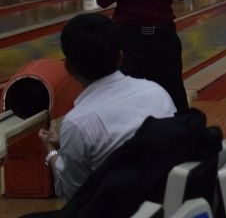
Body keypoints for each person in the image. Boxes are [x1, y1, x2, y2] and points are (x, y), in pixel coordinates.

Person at [40, 12, 177, 200]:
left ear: (69, 68)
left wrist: (51, 150)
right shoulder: (157, 93)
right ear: (120, 57)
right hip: (165, 206)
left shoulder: (77, 123)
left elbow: (72, 195)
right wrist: (66, 141)